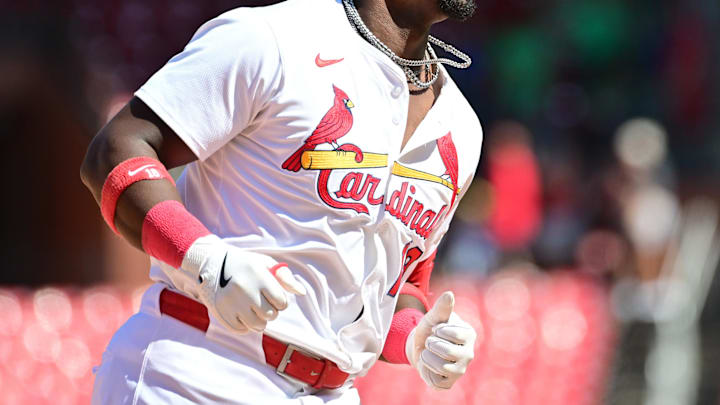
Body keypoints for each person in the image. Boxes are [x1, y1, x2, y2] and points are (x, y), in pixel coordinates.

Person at [80, 0, 483, 402]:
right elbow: (117, 151)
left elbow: (401, 280)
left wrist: (417, 336)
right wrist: (205, 259)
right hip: (196, 372)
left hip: (333, 391)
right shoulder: (272, 39)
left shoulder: (462, 126)